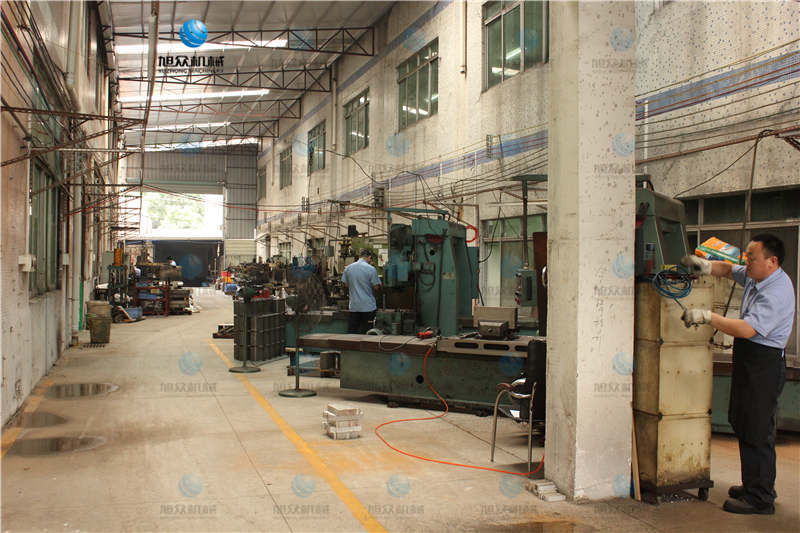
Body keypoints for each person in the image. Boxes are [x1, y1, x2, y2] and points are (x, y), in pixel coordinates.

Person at [681, 233, 795, 515]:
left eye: (752, 258)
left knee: (757, 428)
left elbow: (747, 329)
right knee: (743, 421)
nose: (747, 262)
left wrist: (706, 316)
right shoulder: (758, 275)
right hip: (750, 358)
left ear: (772, 261)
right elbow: (730, 270)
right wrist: (706, 266)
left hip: (764, 363)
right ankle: (755, 484)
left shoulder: (777, 292)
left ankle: (761, 498)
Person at [341, 249, 381, 334]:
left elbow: (346, 285)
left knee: (352, 333)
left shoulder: (348, 268)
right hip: (368, 307)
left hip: (354, 307)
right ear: (369, 257)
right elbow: (376, 287)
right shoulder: (371, 269)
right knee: (368, 333)